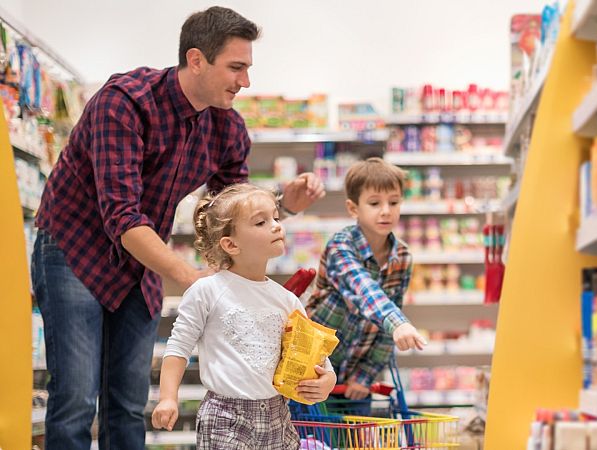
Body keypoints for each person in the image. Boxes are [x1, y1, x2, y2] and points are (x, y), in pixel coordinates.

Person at [30, 6, 324, 449]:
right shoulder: (124, 103)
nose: (245, 81)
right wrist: (193, 279)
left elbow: (231, 213)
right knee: (75, 396)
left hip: (141, 258)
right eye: (236, 67)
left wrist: (285, 205)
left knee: (128, 401)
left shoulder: (227, 127)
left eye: (248, 68)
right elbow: (123, 218)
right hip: (75, 249)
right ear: (196, 60)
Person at [150, 184, 336, 449]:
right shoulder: (207, 291)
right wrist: (168, 397)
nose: (275, 226)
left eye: (276, 217)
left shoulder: (287, 300)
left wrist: (327, 381)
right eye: (261, 222)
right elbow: (179, 346)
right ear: (230, 244)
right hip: (226, 417)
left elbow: (316, 357)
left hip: (278, 416)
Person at [306, 157, 427, 402]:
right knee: (315, 440)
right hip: (314, 366)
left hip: (356, 378)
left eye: (394, 202)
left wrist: (365, 376)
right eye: (374, 203)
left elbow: (385, 333)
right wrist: (399, 324)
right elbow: (364, 289)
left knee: (357, 440)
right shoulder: (341, 245)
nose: (386, 211)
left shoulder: (401, 256)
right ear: (353, 208)